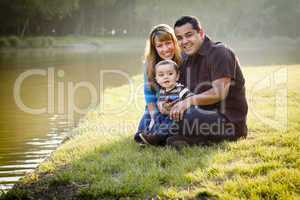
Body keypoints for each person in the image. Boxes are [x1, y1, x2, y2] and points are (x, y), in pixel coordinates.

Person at [162, 16, 248, 147]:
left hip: (228, 122)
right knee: (170, 116)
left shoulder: (220, 53)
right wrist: (170, 105)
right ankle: (192, 139)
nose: (184, 41)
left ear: (201, 33)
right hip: (202, 115)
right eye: (179, 38)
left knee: (189, 116)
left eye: (188, 35)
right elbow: (181, 91)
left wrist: (187, 102)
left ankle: (185, 137)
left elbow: (219, 93)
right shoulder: (185, 58)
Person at [134, 24, 182, 145]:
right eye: (160, 46)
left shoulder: (182, 60)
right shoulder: (150, 65)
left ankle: (158, 137)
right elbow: (149, 94)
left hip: (177, 104)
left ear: (174, 42)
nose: (165, 49)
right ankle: (149, 134)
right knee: (146, 124)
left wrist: (172, 106)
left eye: (168, 43)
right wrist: (154, 114)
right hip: (157, 104)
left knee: (171, 120)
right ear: (154, 48)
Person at [138, 60, 193, 145]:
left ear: (177, 76)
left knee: (170, 123)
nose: (166, 77)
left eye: (170, 74)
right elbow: (161, 103)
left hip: (176, 117)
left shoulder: (180, 89)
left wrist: (181, 105)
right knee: (157, 118)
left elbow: (190, 99)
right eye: (161, 75)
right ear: (156, 79)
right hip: (164, 116)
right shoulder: (162, 91)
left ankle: (156, 138)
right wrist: (161, 106)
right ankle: (150, 136)